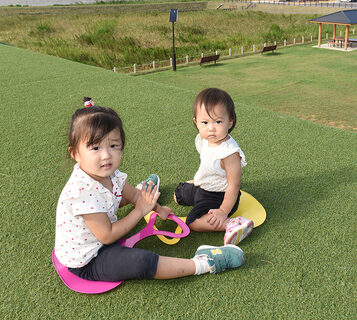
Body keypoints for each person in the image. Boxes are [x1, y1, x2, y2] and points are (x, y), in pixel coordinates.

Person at [54, 102, 245, 282]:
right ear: (75, 153)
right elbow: (108, 236)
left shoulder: (110, 174)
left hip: (103, 231)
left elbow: (135, 197)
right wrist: (141, 210)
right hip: (89, 259)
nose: (106, 155)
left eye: (113, 146)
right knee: (140, 262)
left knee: (127, 195)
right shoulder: (81, 192)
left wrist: (157, 208)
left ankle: (145, 187)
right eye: (95, 148)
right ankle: (205, 263)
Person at [174, 88, 254, 245]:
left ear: (230, 121)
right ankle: (195, 185)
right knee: (178, 196)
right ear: (196, 122)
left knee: (193, 221)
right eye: (205, 122)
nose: (211, 128)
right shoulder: (205, 139)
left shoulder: (229, 153)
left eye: (218, 122)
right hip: (204, 186)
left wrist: (223, 212)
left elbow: (233, 185)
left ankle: (232, 225)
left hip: (219, 196)